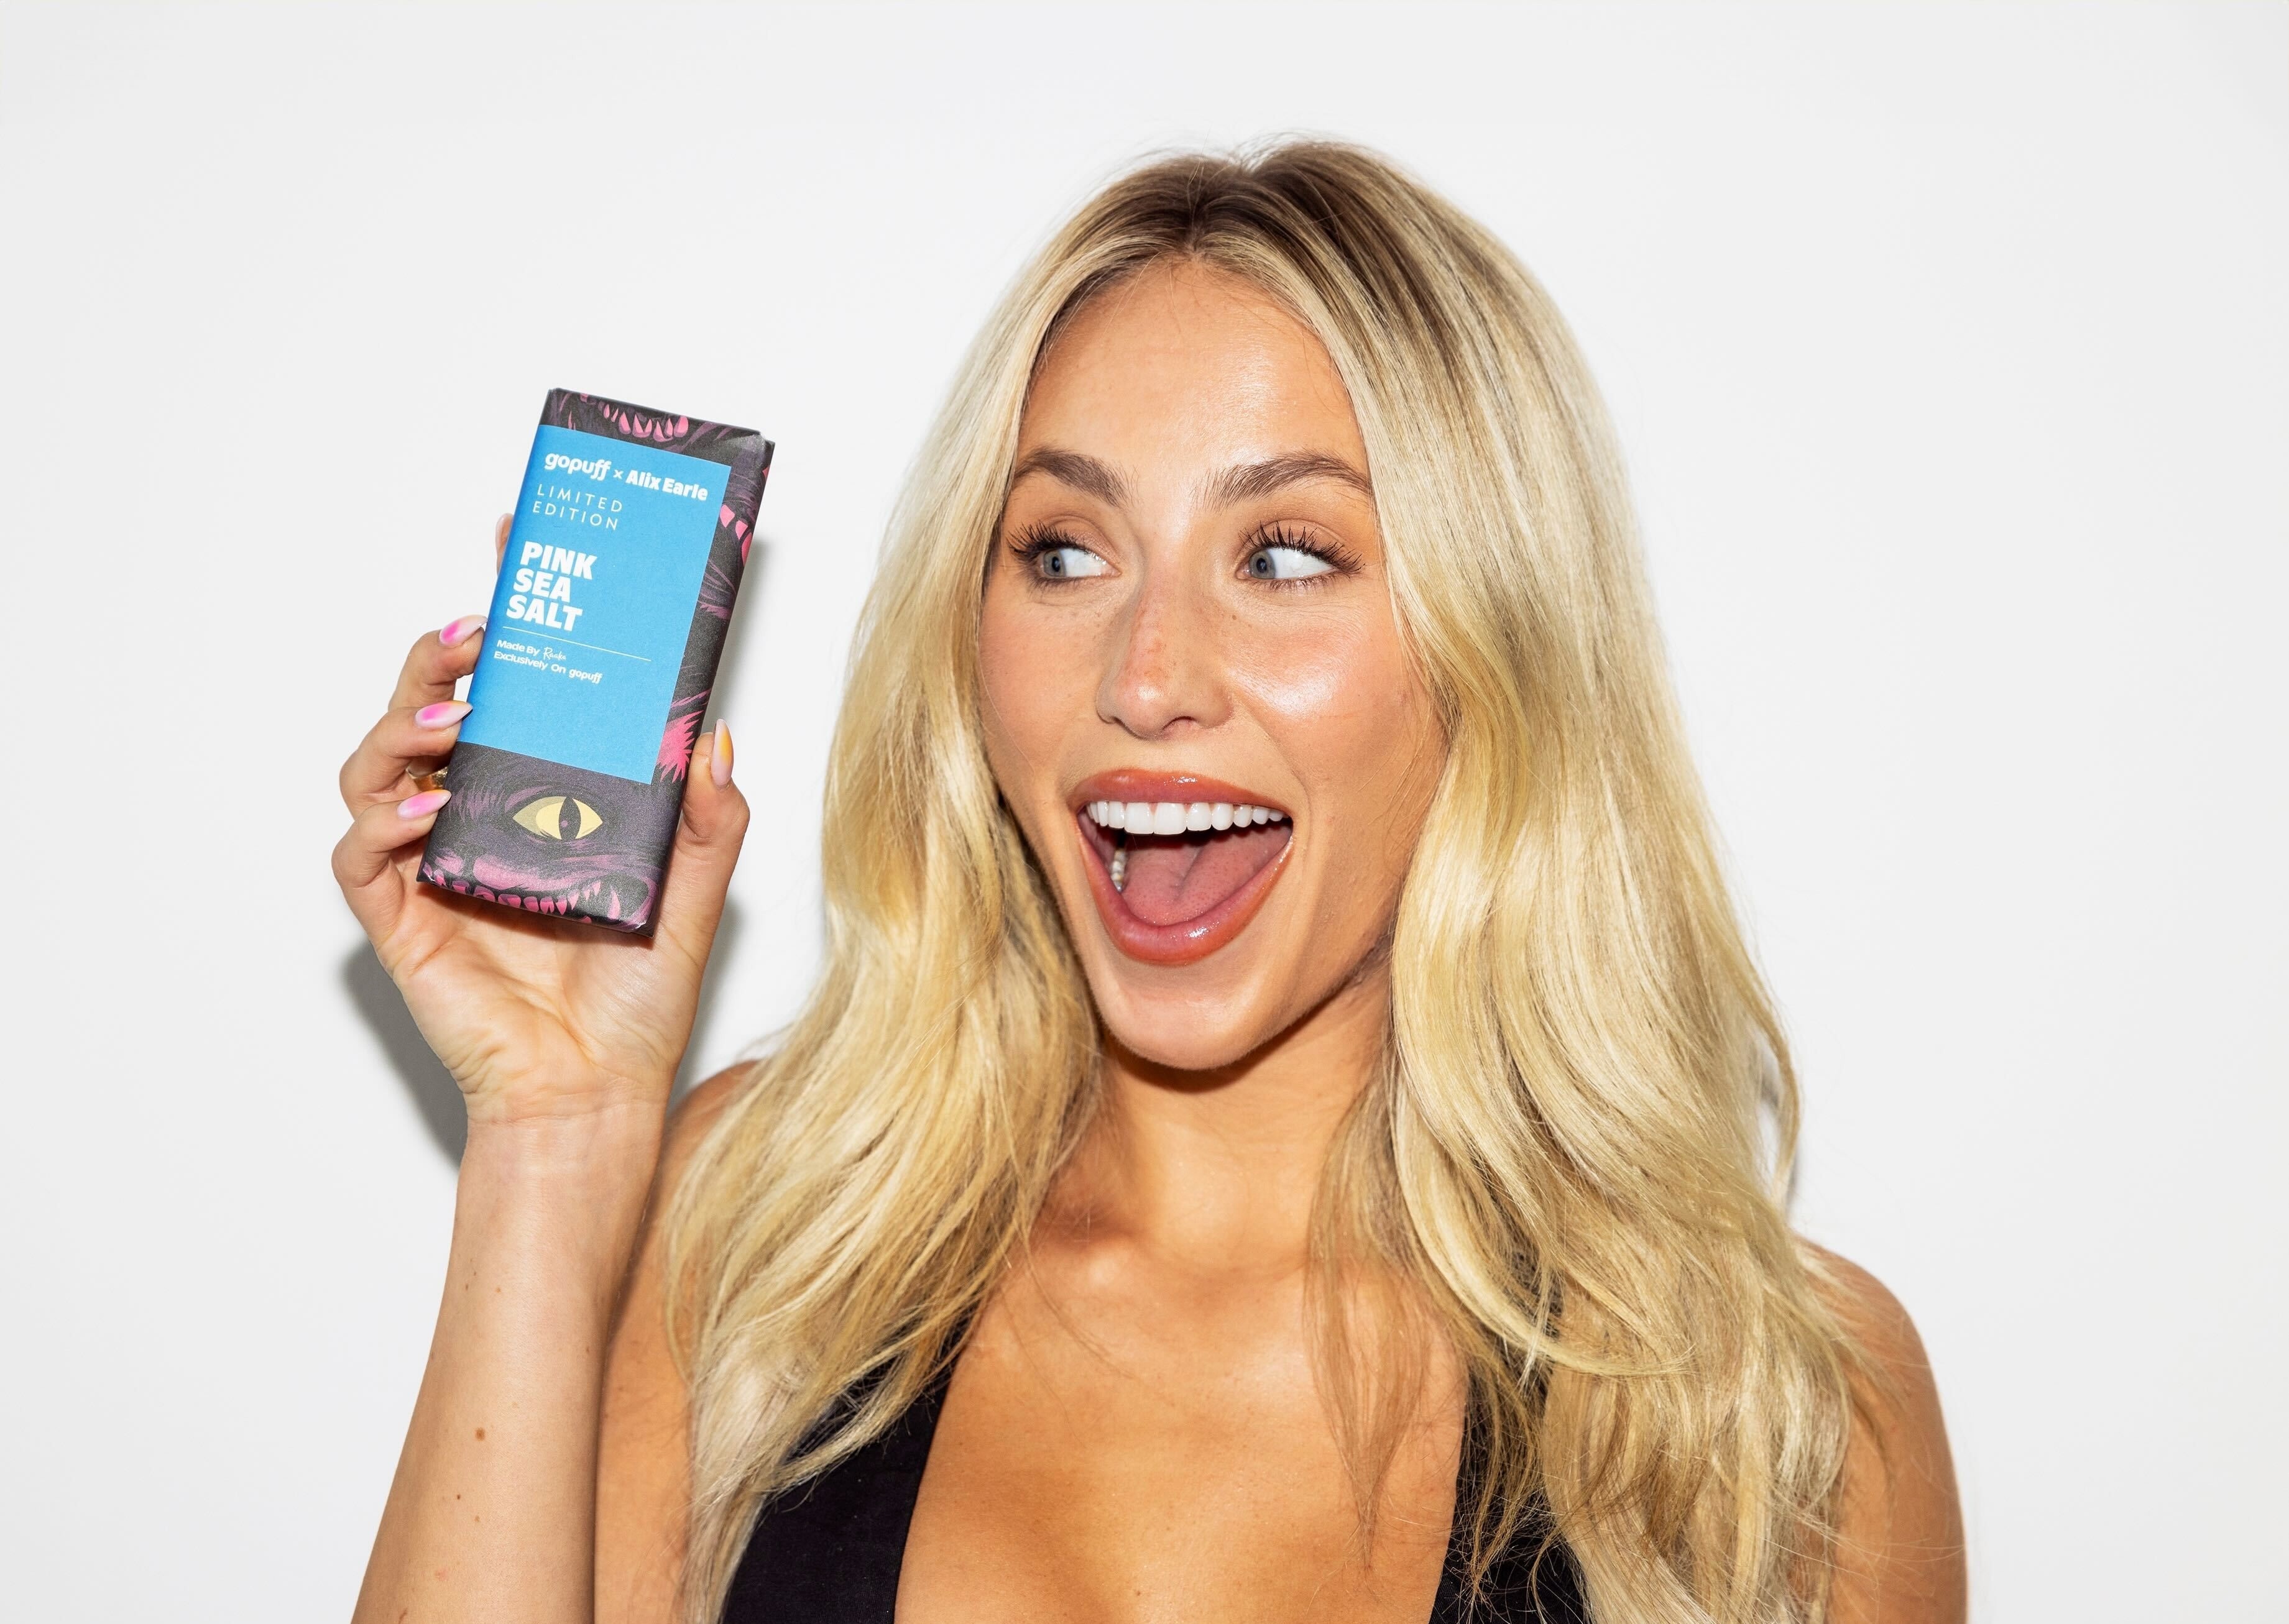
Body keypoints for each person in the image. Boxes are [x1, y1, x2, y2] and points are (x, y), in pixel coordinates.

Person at [337, 141, 1964, 1624]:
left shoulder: (1776, 1413)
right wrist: (554, 1133)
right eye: (1062, 552)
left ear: (1497, 652)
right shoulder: (759, 1242)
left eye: (1286, 555)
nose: (1145, 675)